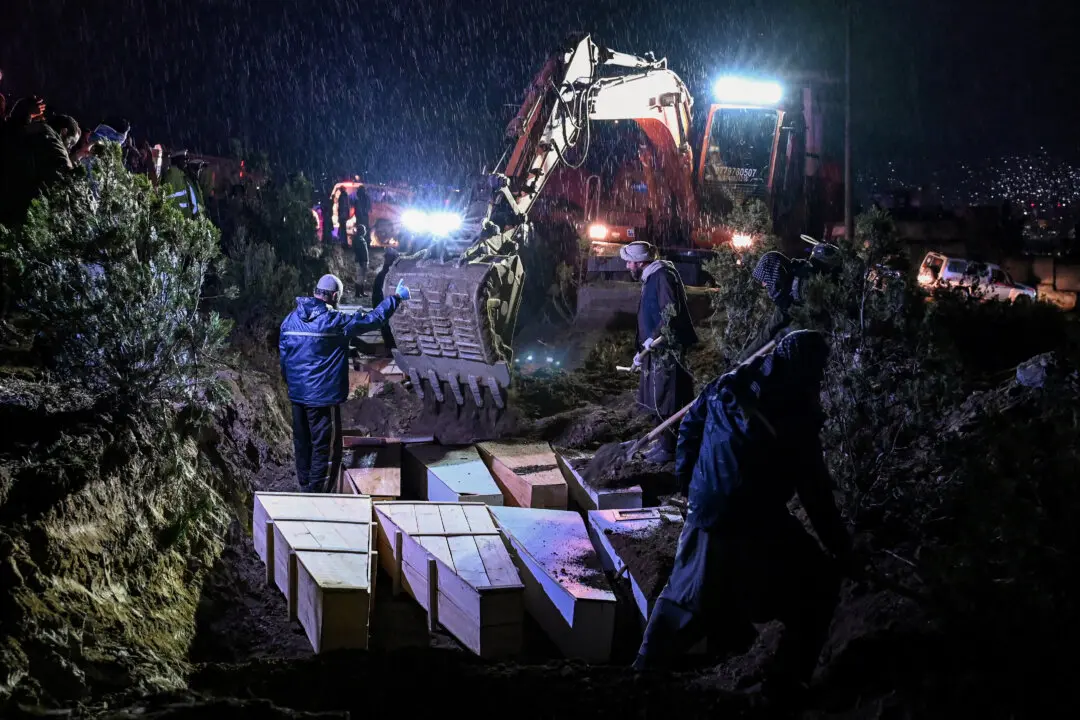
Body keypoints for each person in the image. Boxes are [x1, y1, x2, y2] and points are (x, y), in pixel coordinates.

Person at [633, 331, 852, 699]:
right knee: (819, 585)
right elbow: (815, 494)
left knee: (686, 593)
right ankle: (785, 683)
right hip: (756, 519)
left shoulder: (730, 384)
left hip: (709, 510)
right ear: (808, 370)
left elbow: (690, 426)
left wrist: (690, 483)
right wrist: (843, 551)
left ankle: (643, 670)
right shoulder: (797, 414)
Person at [280, 273, 411, 493]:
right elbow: (373, 320)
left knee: (302, 443)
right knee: (325, 447)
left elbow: (284, 356)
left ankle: (304, 487)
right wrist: (396, 298)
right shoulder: (335, 322)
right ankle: (317, 494)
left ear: (315, 292)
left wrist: (292, 383)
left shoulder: (290, 319)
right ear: (333, 296)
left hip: (297, 394)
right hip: (322, 397)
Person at [620, 240, 698, 464]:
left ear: (641, 262)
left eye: (630, 263)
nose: (627, 267)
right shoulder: (652, 276)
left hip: (666, 349)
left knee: (668, 397)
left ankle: (669, 449)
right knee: (656, 395)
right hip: (655, 348)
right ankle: (663, 443)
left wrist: (654, 338)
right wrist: (643, 345)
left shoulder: (662, 277)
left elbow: (670, 313)